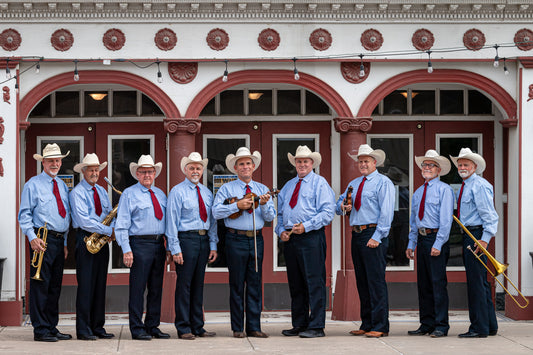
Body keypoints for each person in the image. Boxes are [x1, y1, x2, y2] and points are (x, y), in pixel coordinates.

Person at [212, 147, 276, 338]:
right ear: (235, 167)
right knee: (237, 284)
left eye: (248, 163)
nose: (245, 167)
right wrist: (236, 205)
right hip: (235, 238)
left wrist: (264, 205)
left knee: (255, 283)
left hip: (255, 238)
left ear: (253, 166)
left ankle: (254, 327)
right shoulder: (226, 189)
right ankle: (238, 328)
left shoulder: (263, 189)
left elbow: (270, 217)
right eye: (241, 164)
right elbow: (216, 212)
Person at [276, 145, 335, 338]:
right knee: (296, 283)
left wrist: (307, 226)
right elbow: (281, 213)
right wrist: (281, 231)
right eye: (299, 161)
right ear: (295, 163)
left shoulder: (320, 183)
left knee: (314, 281)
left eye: (305, 161)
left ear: (312, 164)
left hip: (311, 237)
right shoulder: (288, 186)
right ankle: (299, 323)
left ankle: (317, 326)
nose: (302, 164)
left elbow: (327, 212)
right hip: (291, 239)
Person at [336, 144, 394, 338]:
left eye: (366, 161)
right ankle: (367, 322)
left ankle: (380, 325)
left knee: (376, 281)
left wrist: (377, 237)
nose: (362, 164)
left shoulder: (382, 182)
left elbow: (386, 213)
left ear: (374, 162)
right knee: (362, 281)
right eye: (360, 161)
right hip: (357, 233)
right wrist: (343, 205)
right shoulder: (353, 183)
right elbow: (339, 206)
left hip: (373, 232)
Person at [18, 143, 72, 342]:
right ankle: (40, 330)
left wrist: (65, 242)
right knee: (40, 285)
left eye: (58, 160)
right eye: (51, 160)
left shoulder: (61, 185)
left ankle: (51, 326)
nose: (55, 164)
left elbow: (64, 216)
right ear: (43, 162)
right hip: (42, 239)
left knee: (54, 286)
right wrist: (32, 237)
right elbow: (24, 215)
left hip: (58, 240)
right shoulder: (32, 184)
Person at [115, 155, 169, 341]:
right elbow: (121, 224)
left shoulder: (161, 194)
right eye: (143, 172)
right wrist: (126, 249)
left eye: (150, 171)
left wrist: (169, 246)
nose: (147, 175)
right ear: (137, 174)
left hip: (158, 244)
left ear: (155, 173)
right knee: (137, 289)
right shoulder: (129, 194)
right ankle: (137, 328)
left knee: (156, 288)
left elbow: (168, 223)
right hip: (138, 244)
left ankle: (152, 326)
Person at [166, 152, 218, 340]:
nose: (195, 171)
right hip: (186, 240)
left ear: (202, 170)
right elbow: (171, 221)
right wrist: (175, 248)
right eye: (192, 168)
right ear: (185, 170)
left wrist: (213, 244)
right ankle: (183, 327)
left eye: (198, 168)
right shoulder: (177, 191)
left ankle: (198, 326)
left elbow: (212, 221)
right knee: (184, 285)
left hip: (203, 240)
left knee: (198, 285)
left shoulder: (207, 192)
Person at [451, 148, 499, 338]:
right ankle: (489, 324)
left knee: (476, 283)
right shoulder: (465, 184)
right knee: (480, 282)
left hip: (476, 235)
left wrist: (484, 240)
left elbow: (490, 216)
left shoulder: (479, 185)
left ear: (475, 167)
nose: (462, 167)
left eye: (466, 165)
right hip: (469, 234)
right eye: (460, 165)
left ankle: (478, 328)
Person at [406, 150, 454, 338]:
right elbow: (413, 220)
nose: (426, 168)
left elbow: (446, 220)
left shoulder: (445, 190)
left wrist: (439, 243)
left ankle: (441, 325)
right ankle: (426, 323)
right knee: (424, 283)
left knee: (437, 283)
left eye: (431, 165)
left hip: (436, 239)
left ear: (438, 170)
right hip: (422, 238)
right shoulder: (418, 192)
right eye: (424, 165)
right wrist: (411, 243)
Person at [69, 153, 115, 340]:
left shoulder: (103, 191)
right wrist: (107, 230)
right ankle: (83, 328)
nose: (95, 173)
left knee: (99, 286)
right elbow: (83, 221)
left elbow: (107, 213)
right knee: (86, 286)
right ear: (83, 172)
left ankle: (98, 327)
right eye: (91, 170)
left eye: (97, 170)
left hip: (101, 242)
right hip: (86, 239)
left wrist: (110, 230)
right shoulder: (76, 193)